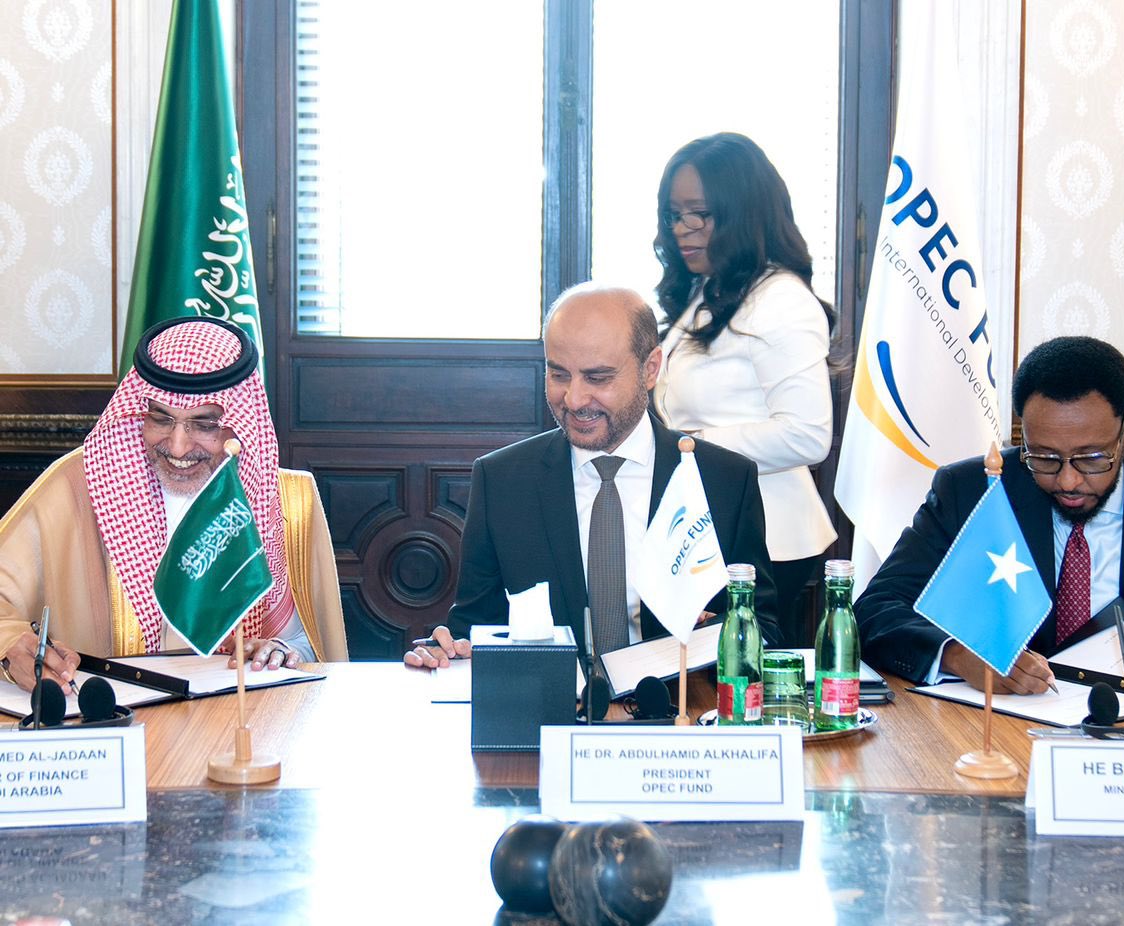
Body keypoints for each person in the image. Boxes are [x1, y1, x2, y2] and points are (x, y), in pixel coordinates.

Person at [856, 335, 1124, 693]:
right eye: (1044, 457)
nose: (1069, 481)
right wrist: (958, 657)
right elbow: (876, 608)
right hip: (1002, 723)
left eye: (1091, 458)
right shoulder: (972, 491)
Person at [405, 282, 780, 669]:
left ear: (650, 369)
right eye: (559, 375)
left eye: (598, 378)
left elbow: (763, 628)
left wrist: (709, 638)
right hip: (551, 702)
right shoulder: (502, 481)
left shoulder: (722, 480)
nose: (574, 399)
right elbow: (474, 628)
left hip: (678, 702)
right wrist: (444, 649)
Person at [0, 318, 348, 692]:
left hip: (242, 718)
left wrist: (280, 650)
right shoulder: (76, 485)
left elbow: (310, 642)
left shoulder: (289, 502)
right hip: (110, 716)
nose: (178, 447)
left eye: (204, 425)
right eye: (161, 419)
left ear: (239, 423)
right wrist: (11, 645)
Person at [650, 132, 836, 645]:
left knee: (742, 683)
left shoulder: (781, 300)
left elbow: (807, 435)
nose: (681, 229)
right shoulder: (709, 290)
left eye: (699, 214)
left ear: (744, 212)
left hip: (770, 539)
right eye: (674, 214)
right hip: (710, 528)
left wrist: (690, 445)